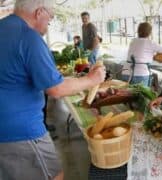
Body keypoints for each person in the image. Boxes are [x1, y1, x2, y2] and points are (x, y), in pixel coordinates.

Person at [0, 1, 106, 180]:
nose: (49, 23)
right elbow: (56, 89)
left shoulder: (4, 27)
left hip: (6, 128)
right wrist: (91, 79)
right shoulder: (28, 37)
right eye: (50, 18)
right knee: (55, 175)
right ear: (39, 12)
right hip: (21, 131)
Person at [121, 22, 162, 86]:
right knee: (141, 95)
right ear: (150, 32)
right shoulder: (150, 43)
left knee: (126, 95)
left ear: (138, 31)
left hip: (126, 73)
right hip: (140, 74)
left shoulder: (133, 41)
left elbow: (141, 53)